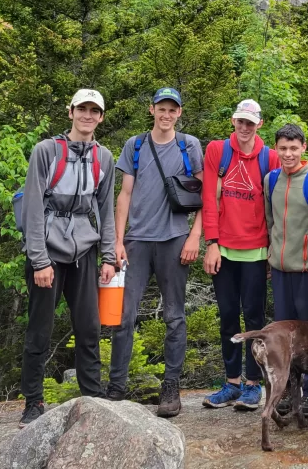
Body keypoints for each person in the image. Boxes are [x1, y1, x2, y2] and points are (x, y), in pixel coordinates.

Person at [18, 88, 116, 427]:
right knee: (40, 330)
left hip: (84, 250)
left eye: (94, 111)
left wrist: (108, 256)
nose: (88, 116)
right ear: (70, 111)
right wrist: (40, 260)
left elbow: (105, 210)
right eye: (82, 109)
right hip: (47, 250)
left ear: (101, 117)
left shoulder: (104, 157)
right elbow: (32, 208)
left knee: (89, 327)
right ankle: (33, 402)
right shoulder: (46, 151)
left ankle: (93, 399)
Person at [106, 87, 204, 417]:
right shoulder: (135, 145)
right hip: (136, 240)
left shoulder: (188, 146)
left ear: (179, 113)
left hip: (175, 239)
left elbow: (207, 196)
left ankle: (171, 388)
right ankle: (116, 387)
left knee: (174, 316)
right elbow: (125, 194)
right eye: (161, 108)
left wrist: (195, 237)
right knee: (124, 316)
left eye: (172, 109)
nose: (166, 114)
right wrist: (117, 242)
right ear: (152, 110)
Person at [201, 99, 280, 411]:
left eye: (251, 122)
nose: (244, 127)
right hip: (224, 249)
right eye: (240, 121)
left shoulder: (270, 157)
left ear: (259, 124)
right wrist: (211, 242)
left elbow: (277, 205)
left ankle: (253, 384)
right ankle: (232, 382)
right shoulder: (217, 152)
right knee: (228, 317)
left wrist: (274, 248)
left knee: (256, 318)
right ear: (233, 121)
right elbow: (208, 197)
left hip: (257, 249)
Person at [263, 123, 308, 418]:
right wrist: (269, 256)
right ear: (275, 149)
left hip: (307, 270)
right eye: (283, 148)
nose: (288, 153)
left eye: (294, 148)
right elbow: (270, 221)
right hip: (279, 269)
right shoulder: (271, 179)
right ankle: (291, 393)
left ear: (304, 148)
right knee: (284, 338)